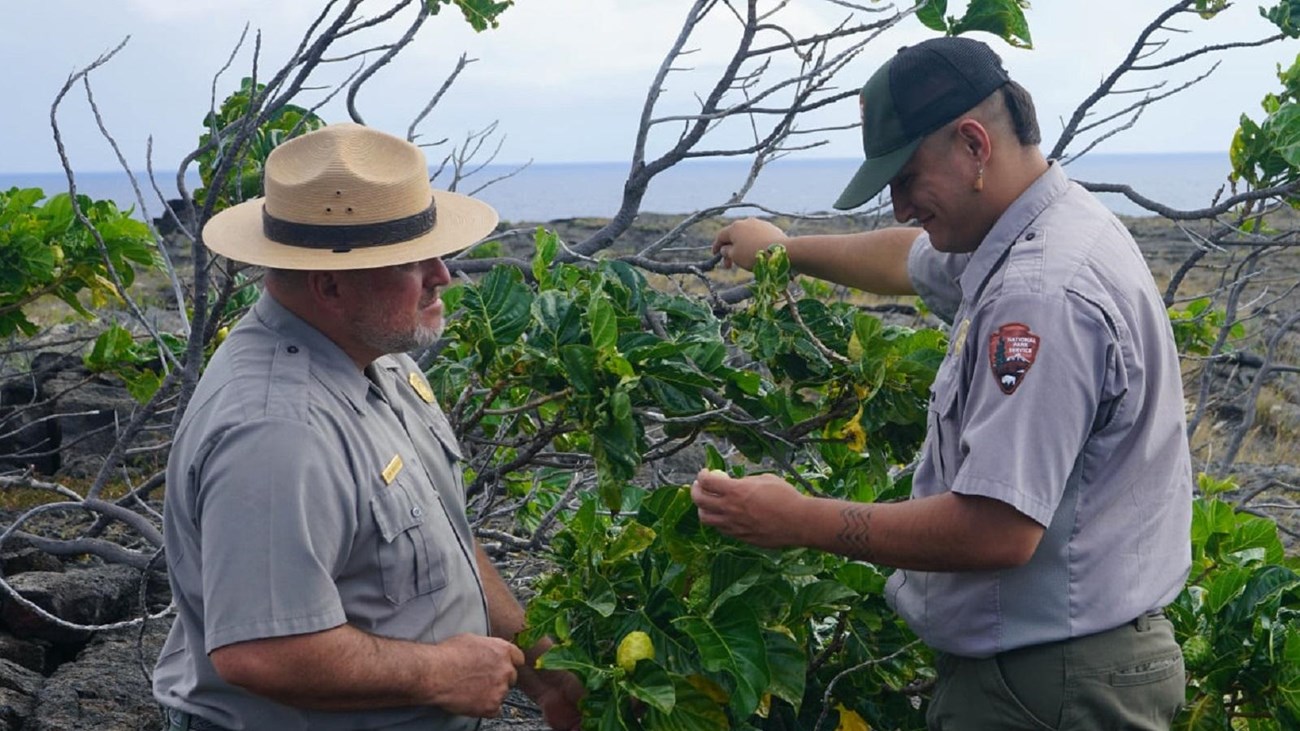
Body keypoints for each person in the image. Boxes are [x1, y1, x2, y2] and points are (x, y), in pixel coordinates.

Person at [691, 37, 1191, 730]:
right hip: (1064, 671)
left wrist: (796, 518)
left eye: (906, 178)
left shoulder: (1040, 294)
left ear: (974, 144)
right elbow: (911, 259)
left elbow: (997, 528)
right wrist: (787, 251)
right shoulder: (1038, 226)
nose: (898, 206)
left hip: (1048, 688)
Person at [153, 123, 583, 730]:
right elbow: (259, 653)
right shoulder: (279, 431)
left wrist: (548, 677)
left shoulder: (374, 348)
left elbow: (440, 537)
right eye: (411, 263)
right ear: (329, 285)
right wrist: (438, 674)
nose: (444, 277)